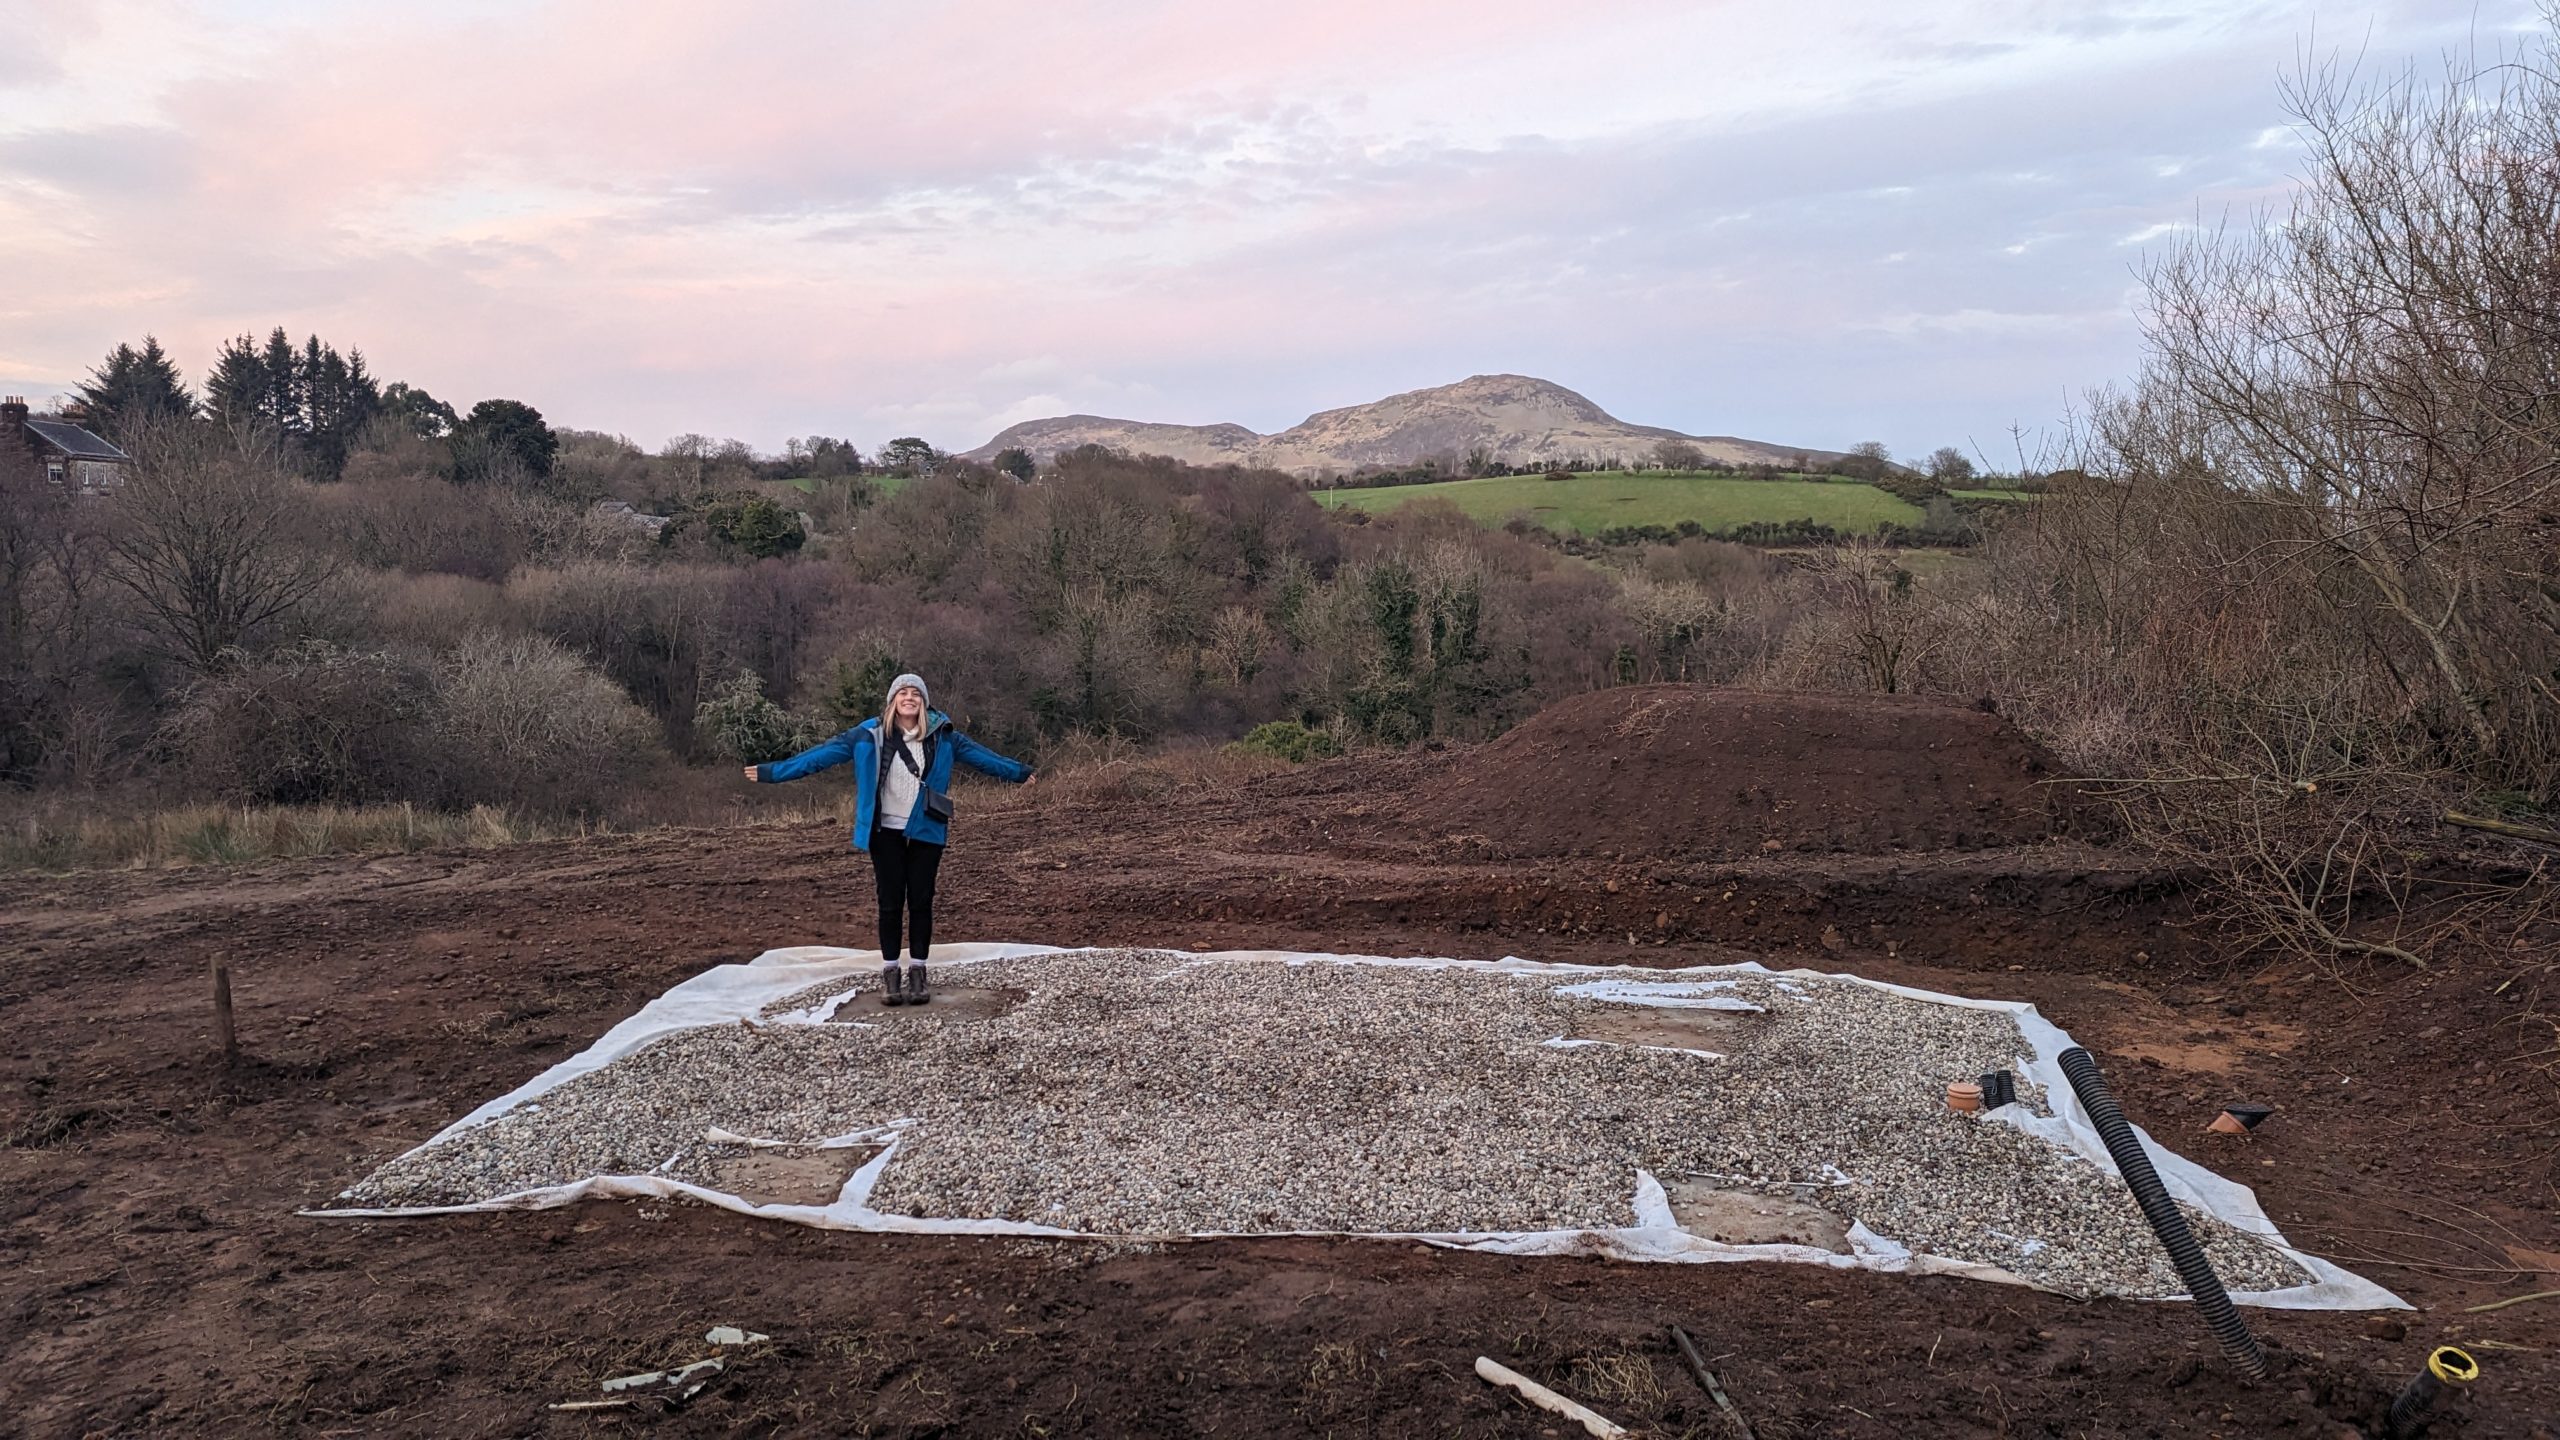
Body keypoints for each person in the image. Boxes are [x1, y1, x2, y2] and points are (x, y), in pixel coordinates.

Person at [744, 673, 1035, 1005]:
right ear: (892, 701)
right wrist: (772, 773)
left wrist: (1020, 773)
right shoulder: (867, 735)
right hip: (883, 831)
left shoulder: (944, 735)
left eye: (915, 693)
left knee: (922, 901)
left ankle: (919, 973)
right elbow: (817, 758)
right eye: (902, 692)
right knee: (890, 902)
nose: (909, 697)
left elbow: (986, 759)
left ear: (924, 702)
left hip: (927, 827)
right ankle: (891, 974)